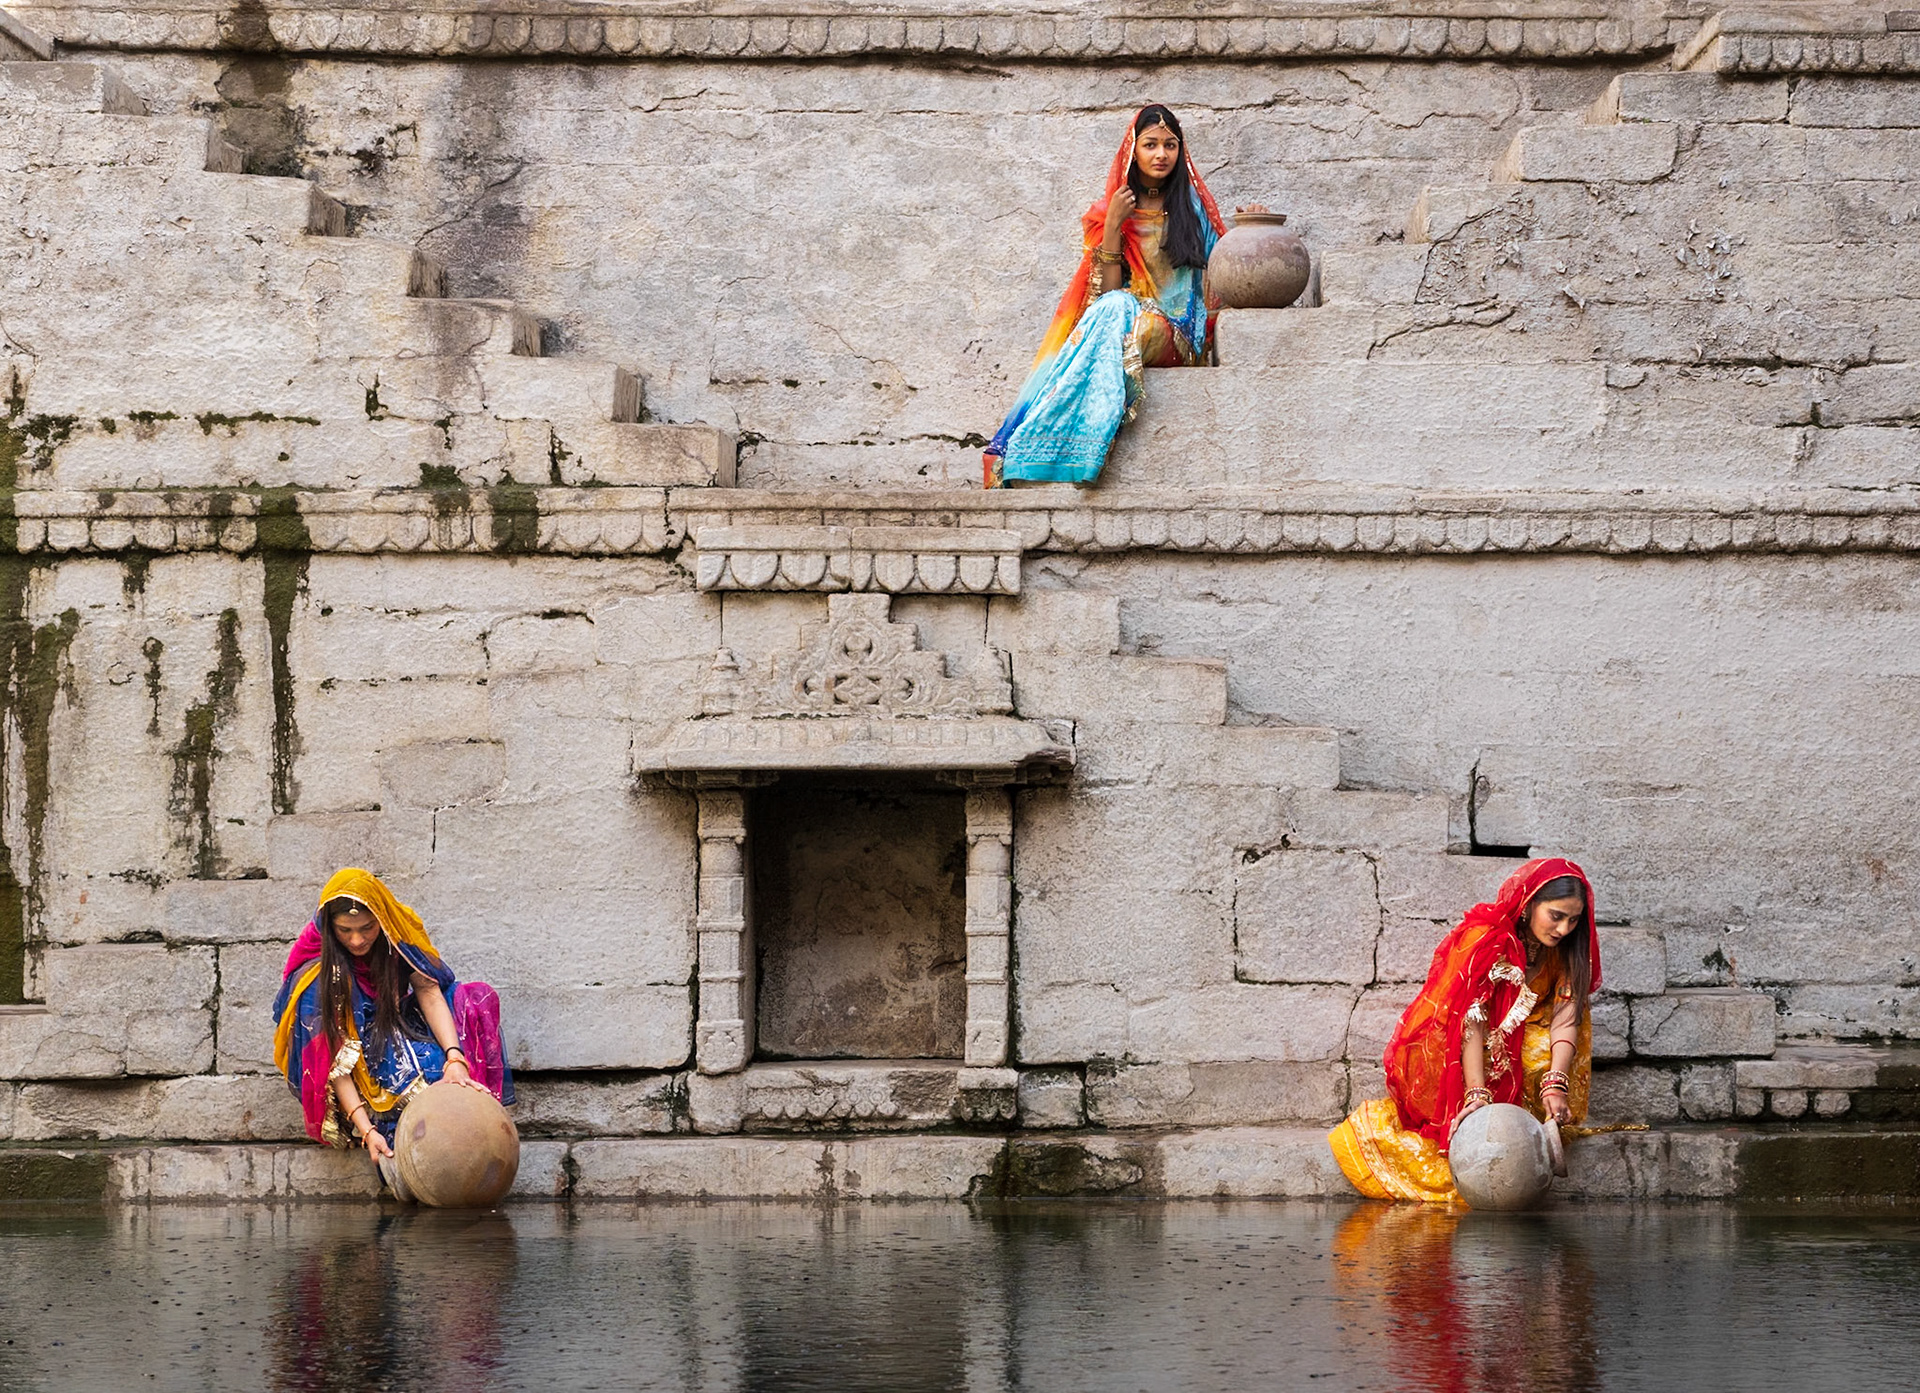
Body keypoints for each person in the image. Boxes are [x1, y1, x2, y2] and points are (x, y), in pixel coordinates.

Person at [982, 105, 1263, 488]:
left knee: (1114, 311)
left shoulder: (1192, 212)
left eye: (1170, 145)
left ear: (1181, 153)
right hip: (1126, 319)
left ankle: (1071, 450)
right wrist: (1113, 224)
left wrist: (1253, 229)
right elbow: (1107, 295)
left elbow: (1230, 273)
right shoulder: (1111, 214)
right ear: (1133, 150)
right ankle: (1057, 447)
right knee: (1112, 307)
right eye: (1150, 145)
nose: (1161, 154)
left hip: (1179, 335)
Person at [1329, 857, 1602, 1203]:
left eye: (1573, 920)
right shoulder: (1485, 939)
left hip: (1523, 1037)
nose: (1563, 929)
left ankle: (1531, 1119)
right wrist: (1477, 1092)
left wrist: (1556, 1082)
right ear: (1530, 903)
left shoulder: (1565, 953)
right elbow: (1470, 1020)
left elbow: (1565, 1018)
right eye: (1556, 916)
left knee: (1545, 1049)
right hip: (1468, 1041)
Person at [272, 867, 513, 1194]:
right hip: (358, 1054)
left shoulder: (398, 933)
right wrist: (367, 1130)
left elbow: (428, 992)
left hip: (399, 1022)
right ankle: (396, 1143)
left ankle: (475, 1130)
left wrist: (455, 1058)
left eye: (367, 928)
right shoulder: (317, 974)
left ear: (381, 920)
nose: (357, 940)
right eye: (346, 931)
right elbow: (333, 1059)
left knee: (474, 999)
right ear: (330, 928)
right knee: (412, 1076)